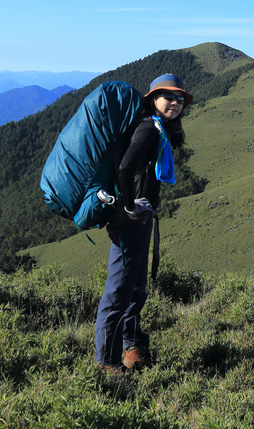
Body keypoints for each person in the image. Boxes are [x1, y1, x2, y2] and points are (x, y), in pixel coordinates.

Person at [94, 73, 193, 372]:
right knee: (119, 292)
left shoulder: (158, 128)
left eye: (179, 100)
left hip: (139, 219)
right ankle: (108, 365)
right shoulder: (149, 127)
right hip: (129, 221)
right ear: (153, 99)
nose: (175, 104)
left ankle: (134, 348)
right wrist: (128, 206)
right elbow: (125, 167)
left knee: (136, 288)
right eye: (168, 97)